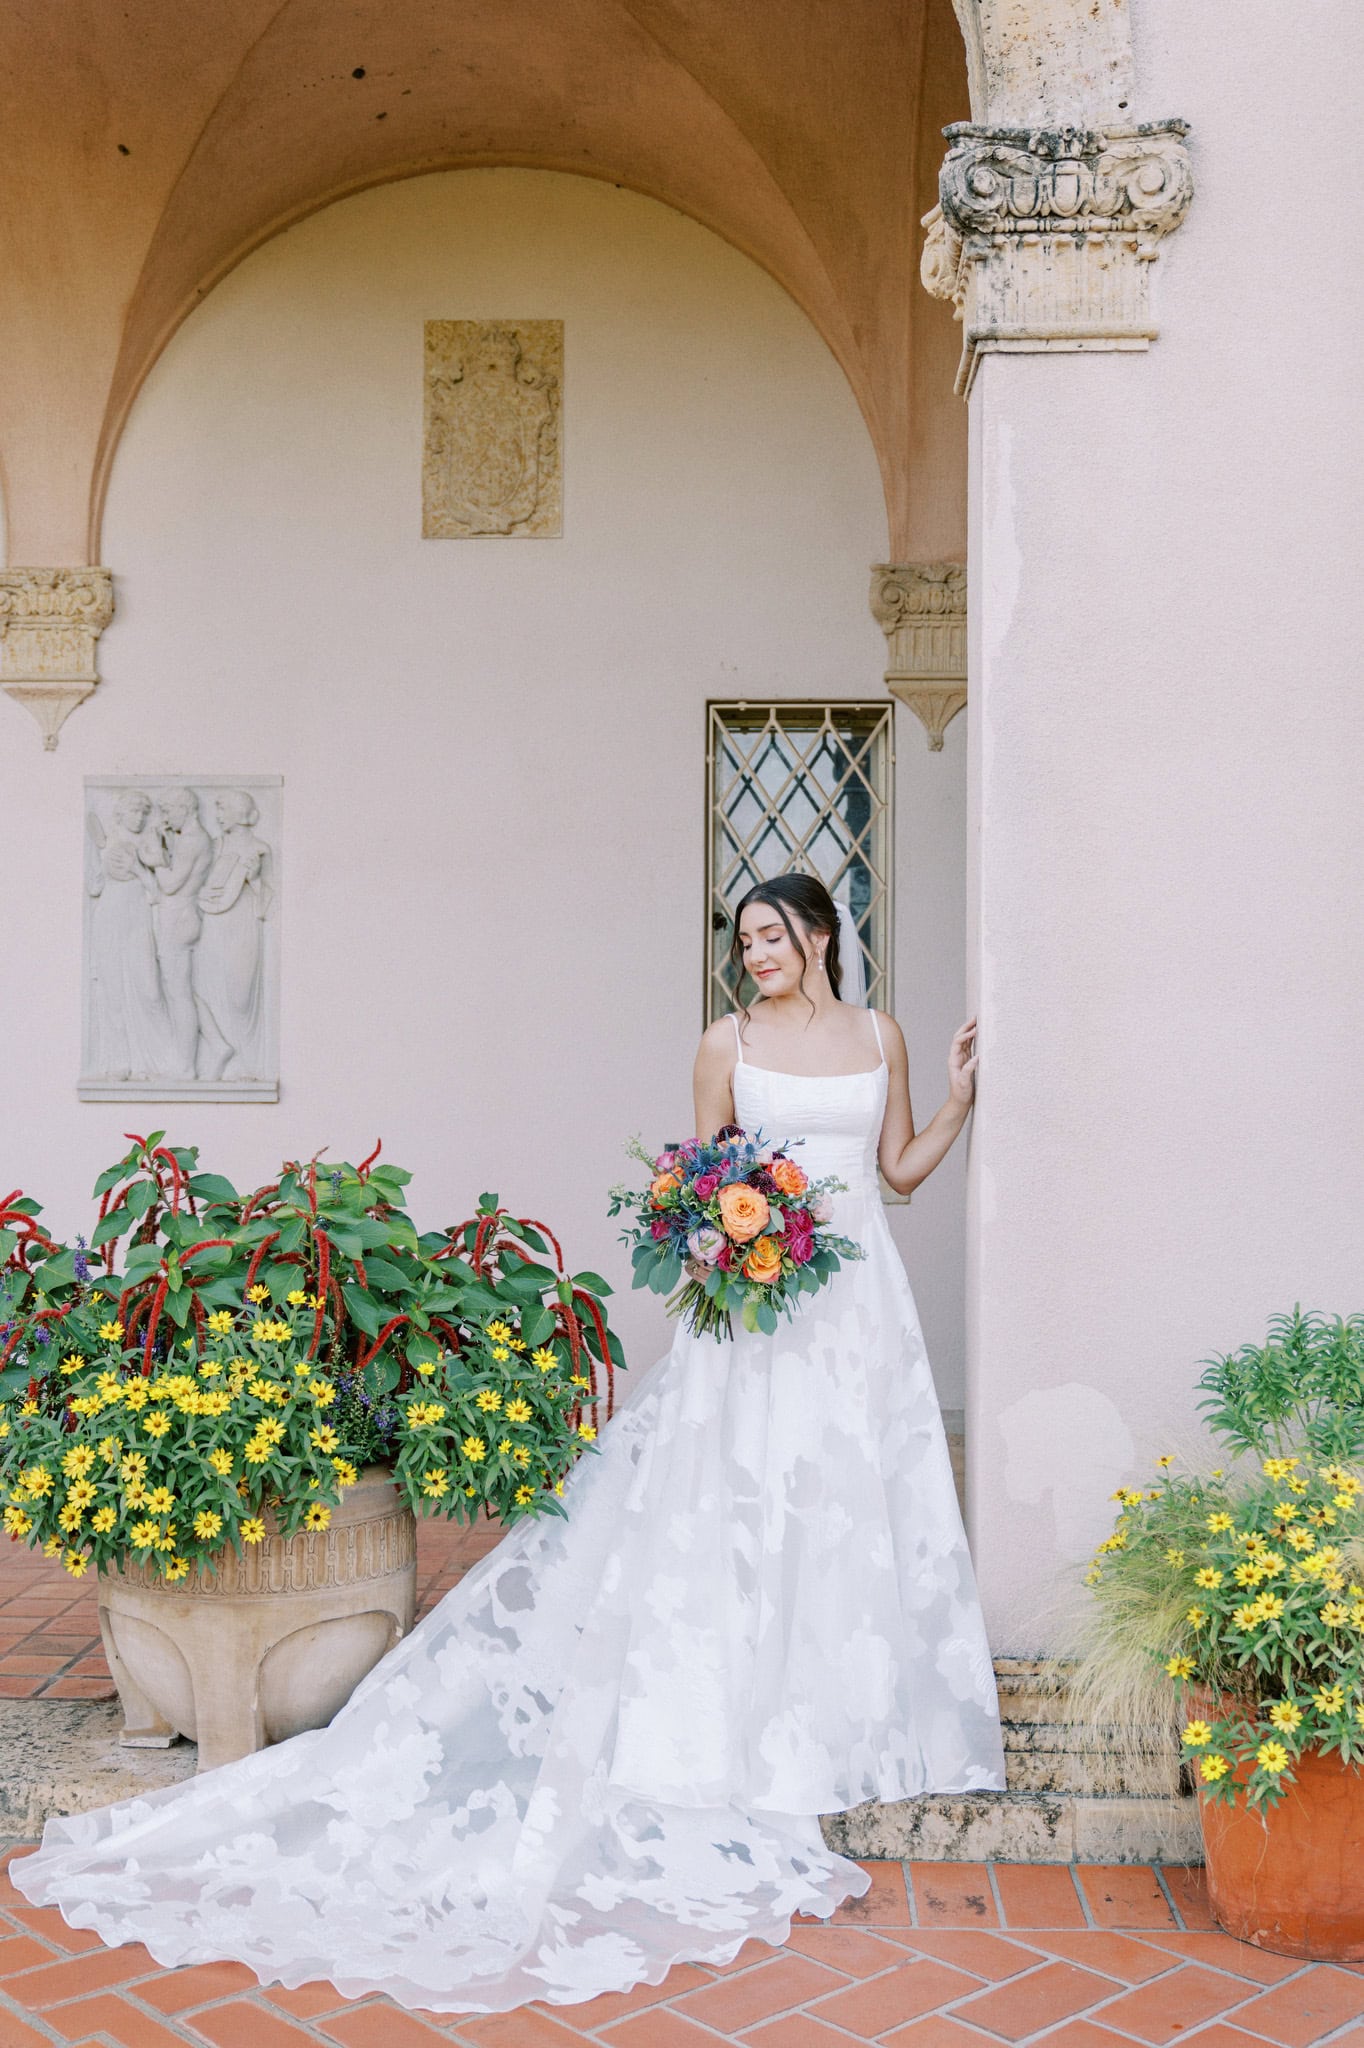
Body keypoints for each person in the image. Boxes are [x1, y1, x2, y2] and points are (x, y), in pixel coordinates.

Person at [14, 873, 1003, 2015]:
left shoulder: (879, 1033)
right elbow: (698, 1190)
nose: (754, 957)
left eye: (772, 936)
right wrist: (715, 1254)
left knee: (845, 1502)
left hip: (858, 1309)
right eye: (742, 942)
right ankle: (736, 1711)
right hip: (758, 1314)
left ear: (821, 934)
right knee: (743, 1508)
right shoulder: (722, 1042)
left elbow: (894, 1171)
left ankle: (841, 1706)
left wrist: (960, 1101)